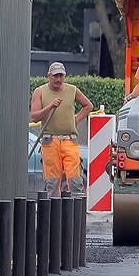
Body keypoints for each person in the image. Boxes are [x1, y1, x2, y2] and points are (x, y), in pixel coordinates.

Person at [30, 62, 93, 197]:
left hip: (69, 140)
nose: (58, 79)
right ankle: (53, 215)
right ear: (48, 76)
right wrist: (50, 107)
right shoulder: (40, 92)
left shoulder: (72, 90)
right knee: (52, 183)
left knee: (75, 180)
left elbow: (88, 106)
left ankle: (75, 214)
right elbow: (34, 117)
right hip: (49, 141)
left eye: (61, 76)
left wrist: (75, 120)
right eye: (55, 76)